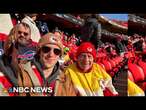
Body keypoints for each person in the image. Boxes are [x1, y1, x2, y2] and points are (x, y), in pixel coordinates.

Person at [0, 22, 37, 96]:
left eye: (25, 34)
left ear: (30, 37)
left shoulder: (35, 50)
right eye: (19, 32)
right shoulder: (4, 45)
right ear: (14, 33)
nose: (22, 35)